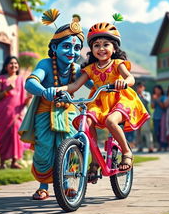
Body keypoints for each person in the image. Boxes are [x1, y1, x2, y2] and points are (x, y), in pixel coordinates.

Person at [57, 22, 150, 182]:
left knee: (110, 121)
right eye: (96, 45)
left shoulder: (117, 64)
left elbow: (131, 78)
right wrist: (60, 89)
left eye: (106, 44)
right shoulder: (90, 69)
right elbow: (75, 85)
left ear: (114, 48)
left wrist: (124, 82)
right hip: (99, 101)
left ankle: (127, 152)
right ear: (91, 49)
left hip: (120, 98)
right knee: (86, 122)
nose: (101, 48)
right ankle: (94, 161)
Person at [19, 15, 91, 200]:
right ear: (54, 47)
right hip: (45, 111)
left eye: (76, 48)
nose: (72, 52)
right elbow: (30, 82)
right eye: (66, 46)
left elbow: (94, 84)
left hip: (69, 112)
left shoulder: (77, 68)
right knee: (44, 149)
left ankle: (67, 185)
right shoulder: (45, 64)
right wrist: (44, 91)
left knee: (70, 147)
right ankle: (43, 186)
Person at [0, 56, 32, 170]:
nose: (14, 65)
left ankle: (14, 161)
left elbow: (24, 100)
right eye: (11, 63)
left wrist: (28, 98)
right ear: (6, 66)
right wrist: (7, 90)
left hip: (17, 112)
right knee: (4, 137)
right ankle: (2, 162)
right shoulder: (1, 79)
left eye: (16, 63)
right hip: (4, 112)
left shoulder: (20, 80)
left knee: (15, 136)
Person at [135, 82, 154, 153]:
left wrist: (141, 94)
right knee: (138, 132)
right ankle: (140, 147)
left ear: (143, 87)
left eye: (140, 87)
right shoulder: (135, 95)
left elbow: (147, 101)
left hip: (145, 115)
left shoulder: (147, 94)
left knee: (147, 131)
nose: (139, 88)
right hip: (137, 115)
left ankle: (150, 147)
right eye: (138, 87)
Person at [151, 85, 167, 151]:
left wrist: (157, 99)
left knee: (162, 132)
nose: (156, 91)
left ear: (161, 90)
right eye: (155, 90)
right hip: (155, 117)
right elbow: (152, 107)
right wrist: (153, 100)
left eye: (158, 90)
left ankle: (164, 146)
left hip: (162, 117)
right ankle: (159, 146)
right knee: (156, 132)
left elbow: (163, 106)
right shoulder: (154, 97)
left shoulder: (163, 97)